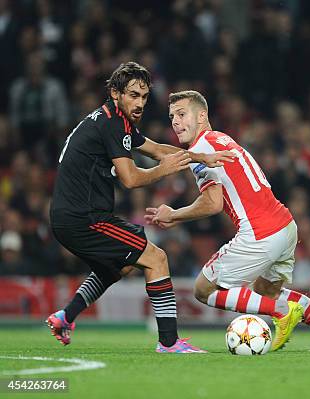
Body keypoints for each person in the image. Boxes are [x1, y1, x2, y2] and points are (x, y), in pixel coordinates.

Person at [145, 90, 310, 352]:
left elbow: (213, 203)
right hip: (285, 225)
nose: (175, 122)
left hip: (260, 231)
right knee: (267, 291)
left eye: (181, 114)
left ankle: (280, 311)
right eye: (172, 116)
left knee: (203, 289)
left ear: (202, 115)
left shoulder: (200, 149)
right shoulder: (222, 138)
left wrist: (174, 214)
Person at [47, 62, 234, 353]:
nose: (140, 103)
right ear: (114, 93)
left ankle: (65, 317)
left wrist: (200, 157)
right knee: (156, 258)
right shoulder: (112, 122)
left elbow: (159, 150)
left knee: (118, 266)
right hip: (84, 218)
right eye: (133, 95)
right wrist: (166, 170)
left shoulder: (111, 119)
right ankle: (169, 343)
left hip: (74, 217)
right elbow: (132, 179)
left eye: (144, 97)